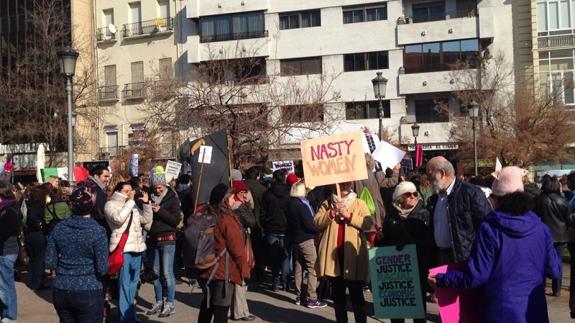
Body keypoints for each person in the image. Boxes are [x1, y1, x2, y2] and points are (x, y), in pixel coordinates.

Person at [428, 166, 562, 323]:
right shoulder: (541, 228)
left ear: (498, 198)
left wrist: (443, 279)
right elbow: (554, 271)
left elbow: (477, 275)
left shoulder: (491, 227)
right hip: (533, 311)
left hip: (499, 311)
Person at [45, 184, 109, 323]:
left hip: (62, 288)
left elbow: (50, 261)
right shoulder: (97, 231)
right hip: (88, 288)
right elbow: (102, 268)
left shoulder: (59, 228)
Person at [314, 181, 373, 323]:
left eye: (348, 184)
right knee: (338, 294)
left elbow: (368, 223)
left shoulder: (359, 203)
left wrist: (349, 215)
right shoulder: (327, 203)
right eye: (342, 184)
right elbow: (316, 222)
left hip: (353, 255)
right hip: (333, 256)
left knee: (356, 293)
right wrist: (332, 213)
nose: (345, 186)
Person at [377, 181, 433, 323]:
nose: (413, 196)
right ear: (399, 198)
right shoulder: (391, 216)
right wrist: (379, 239)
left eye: (415, 193)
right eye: (408, 194)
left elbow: (428, 242)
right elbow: (385, 244)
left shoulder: (424, 214)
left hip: (417, 268)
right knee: (397, 311)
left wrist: (406, 241)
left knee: (418, 311)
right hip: (397, 272)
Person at [198, 184, 250, 323]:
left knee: (207, 307)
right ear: (225, 199)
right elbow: (237, 249)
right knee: (221, 313)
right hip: (223, 272)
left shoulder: (205, 213)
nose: (234, 200)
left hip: (204, 268)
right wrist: (244, 271)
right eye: (232, 197)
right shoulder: (227, 219)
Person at [426, 156, 491, 264]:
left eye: (430, 175)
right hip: (440, 256)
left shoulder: (470, 193)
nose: (428, 180)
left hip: (464, 259)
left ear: (442, 174)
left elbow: (487, 228)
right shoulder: (435, 199)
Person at [104, 182, 153, 323]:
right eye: (127, 190)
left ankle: (130, 315)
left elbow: (146, 221)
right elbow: (118, 219)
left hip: (137, 248)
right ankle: (125, 318)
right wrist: (130, 201)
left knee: (134, 283)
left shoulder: (131, 204)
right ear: (119, 191)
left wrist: (147, 204)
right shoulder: (111, 204)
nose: (130, 193)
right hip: (123, 248)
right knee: (124, 283)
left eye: (131, 190)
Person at [146, 172, 181, 318]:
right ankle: (159, 301)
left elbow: (175, 220)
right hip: (153, 238)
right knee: (155, 273)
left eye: (159, 187)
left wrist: (160, 211)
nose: (157, 190)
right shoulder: (148, 197)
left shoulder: (172, 199)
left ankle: (170, 303)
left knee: (167, 273)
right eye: (155, 187)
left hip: (168, 238)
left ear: (164, 185)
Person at [287, 181, 326, 308]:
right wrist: (318, 230)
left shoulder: (291, 204)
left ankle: (300, 295)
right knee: (313, 267)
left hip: (295, 239)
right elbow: (309, 225)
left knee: (298, 267)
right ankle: (312, 297)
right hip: (305, 239)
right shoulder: (302, 205)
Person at [534, 177, 570, 297]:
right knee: (557, 261)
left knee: (541, 262)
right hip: (560, 236)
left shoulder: (538, 200)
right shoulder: (563, 201)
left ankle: (541, 286)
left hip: (541, 235)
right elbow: (568, 219)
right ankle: (557, 289)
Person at [229, 180, 257, 321]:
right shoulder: (238, 207)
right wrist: (244, 206)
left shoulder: (230, 205)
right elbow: (252, 221)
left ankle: (236, 310)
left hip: (236, 244)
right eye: (243, 192)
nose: (245, 195)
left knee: (237, 277)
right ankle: (241, 312)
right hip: (239, 244)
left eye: (246, 192)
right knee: (240, 277)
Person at [261, 169, 291, 291]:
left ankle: (275, 280)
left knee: (274, 257)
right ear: (284, 178)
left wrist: (266, 223)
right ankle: (285, 281)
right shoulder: (289, 193)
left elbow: (263, 212)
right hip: (285, 228)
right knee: (285, 255)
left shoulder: (267, 194)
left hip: (272, 228)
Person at [353, 154, 399, 230]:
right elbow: (391, 182)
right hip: (375, 212)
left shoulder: (353, 177)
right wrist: (396, 171)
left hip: (359, 213)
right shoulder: (376, 175)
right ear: (370, 163)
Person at [0, 187, 22, 322]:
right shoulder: (6, 209)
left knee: (5, 286)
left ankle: (9, 315)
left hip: (6, 252)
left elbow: (3, 233)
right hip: (5, 251)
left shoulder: (9, 211)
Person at [25, 183, 51, 291]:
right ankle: (37, 283)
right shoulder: (38, 204)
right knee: (40, 260)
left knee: (35, 260)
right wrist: (40, 225)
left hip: (29, 233)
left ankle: (35, 281)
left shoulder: (30, 201)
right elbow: (33, 217)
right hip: (37, 234)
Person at [244, 167, 267, 282]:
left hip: (244, 222)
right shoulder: (262, 189)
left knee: (245, 247)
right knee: (258, 249)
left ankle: (247, 271)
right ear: (258, 176)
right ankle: (259, 272)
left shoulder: (241, 187)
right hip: (258, 223)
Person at [86, 166, 111, 233]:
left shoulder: (88, 186)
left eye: (108, 177)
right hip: (97, 226)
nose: (107, 179)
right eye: (105, 176)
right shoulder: (96, 190)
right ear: (96, 176)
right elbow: (101, 212)